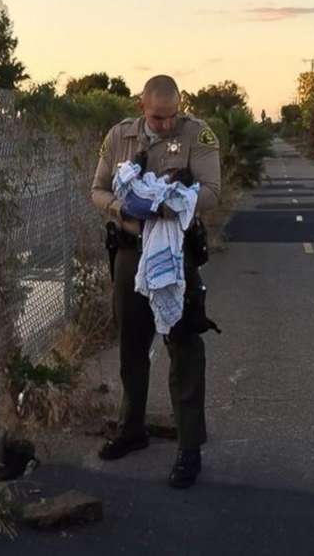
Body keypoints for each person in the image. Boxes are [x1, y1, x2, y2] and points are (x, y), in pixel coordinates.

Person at [90, 75, 221, 488]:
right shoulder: (118, 136)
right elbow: (96, 189)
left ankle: (188, 447)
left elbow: (213, 191)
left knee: (183, 347)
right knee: (131, 343)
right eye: (157, 117)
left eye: (171, 116)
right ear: (141, 106)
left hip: (176, 254)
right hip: (130, 251)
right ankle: (131, 429)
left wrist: (172, 201)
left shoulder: (197, 134)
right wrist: (123, 208)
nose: (165, 125)